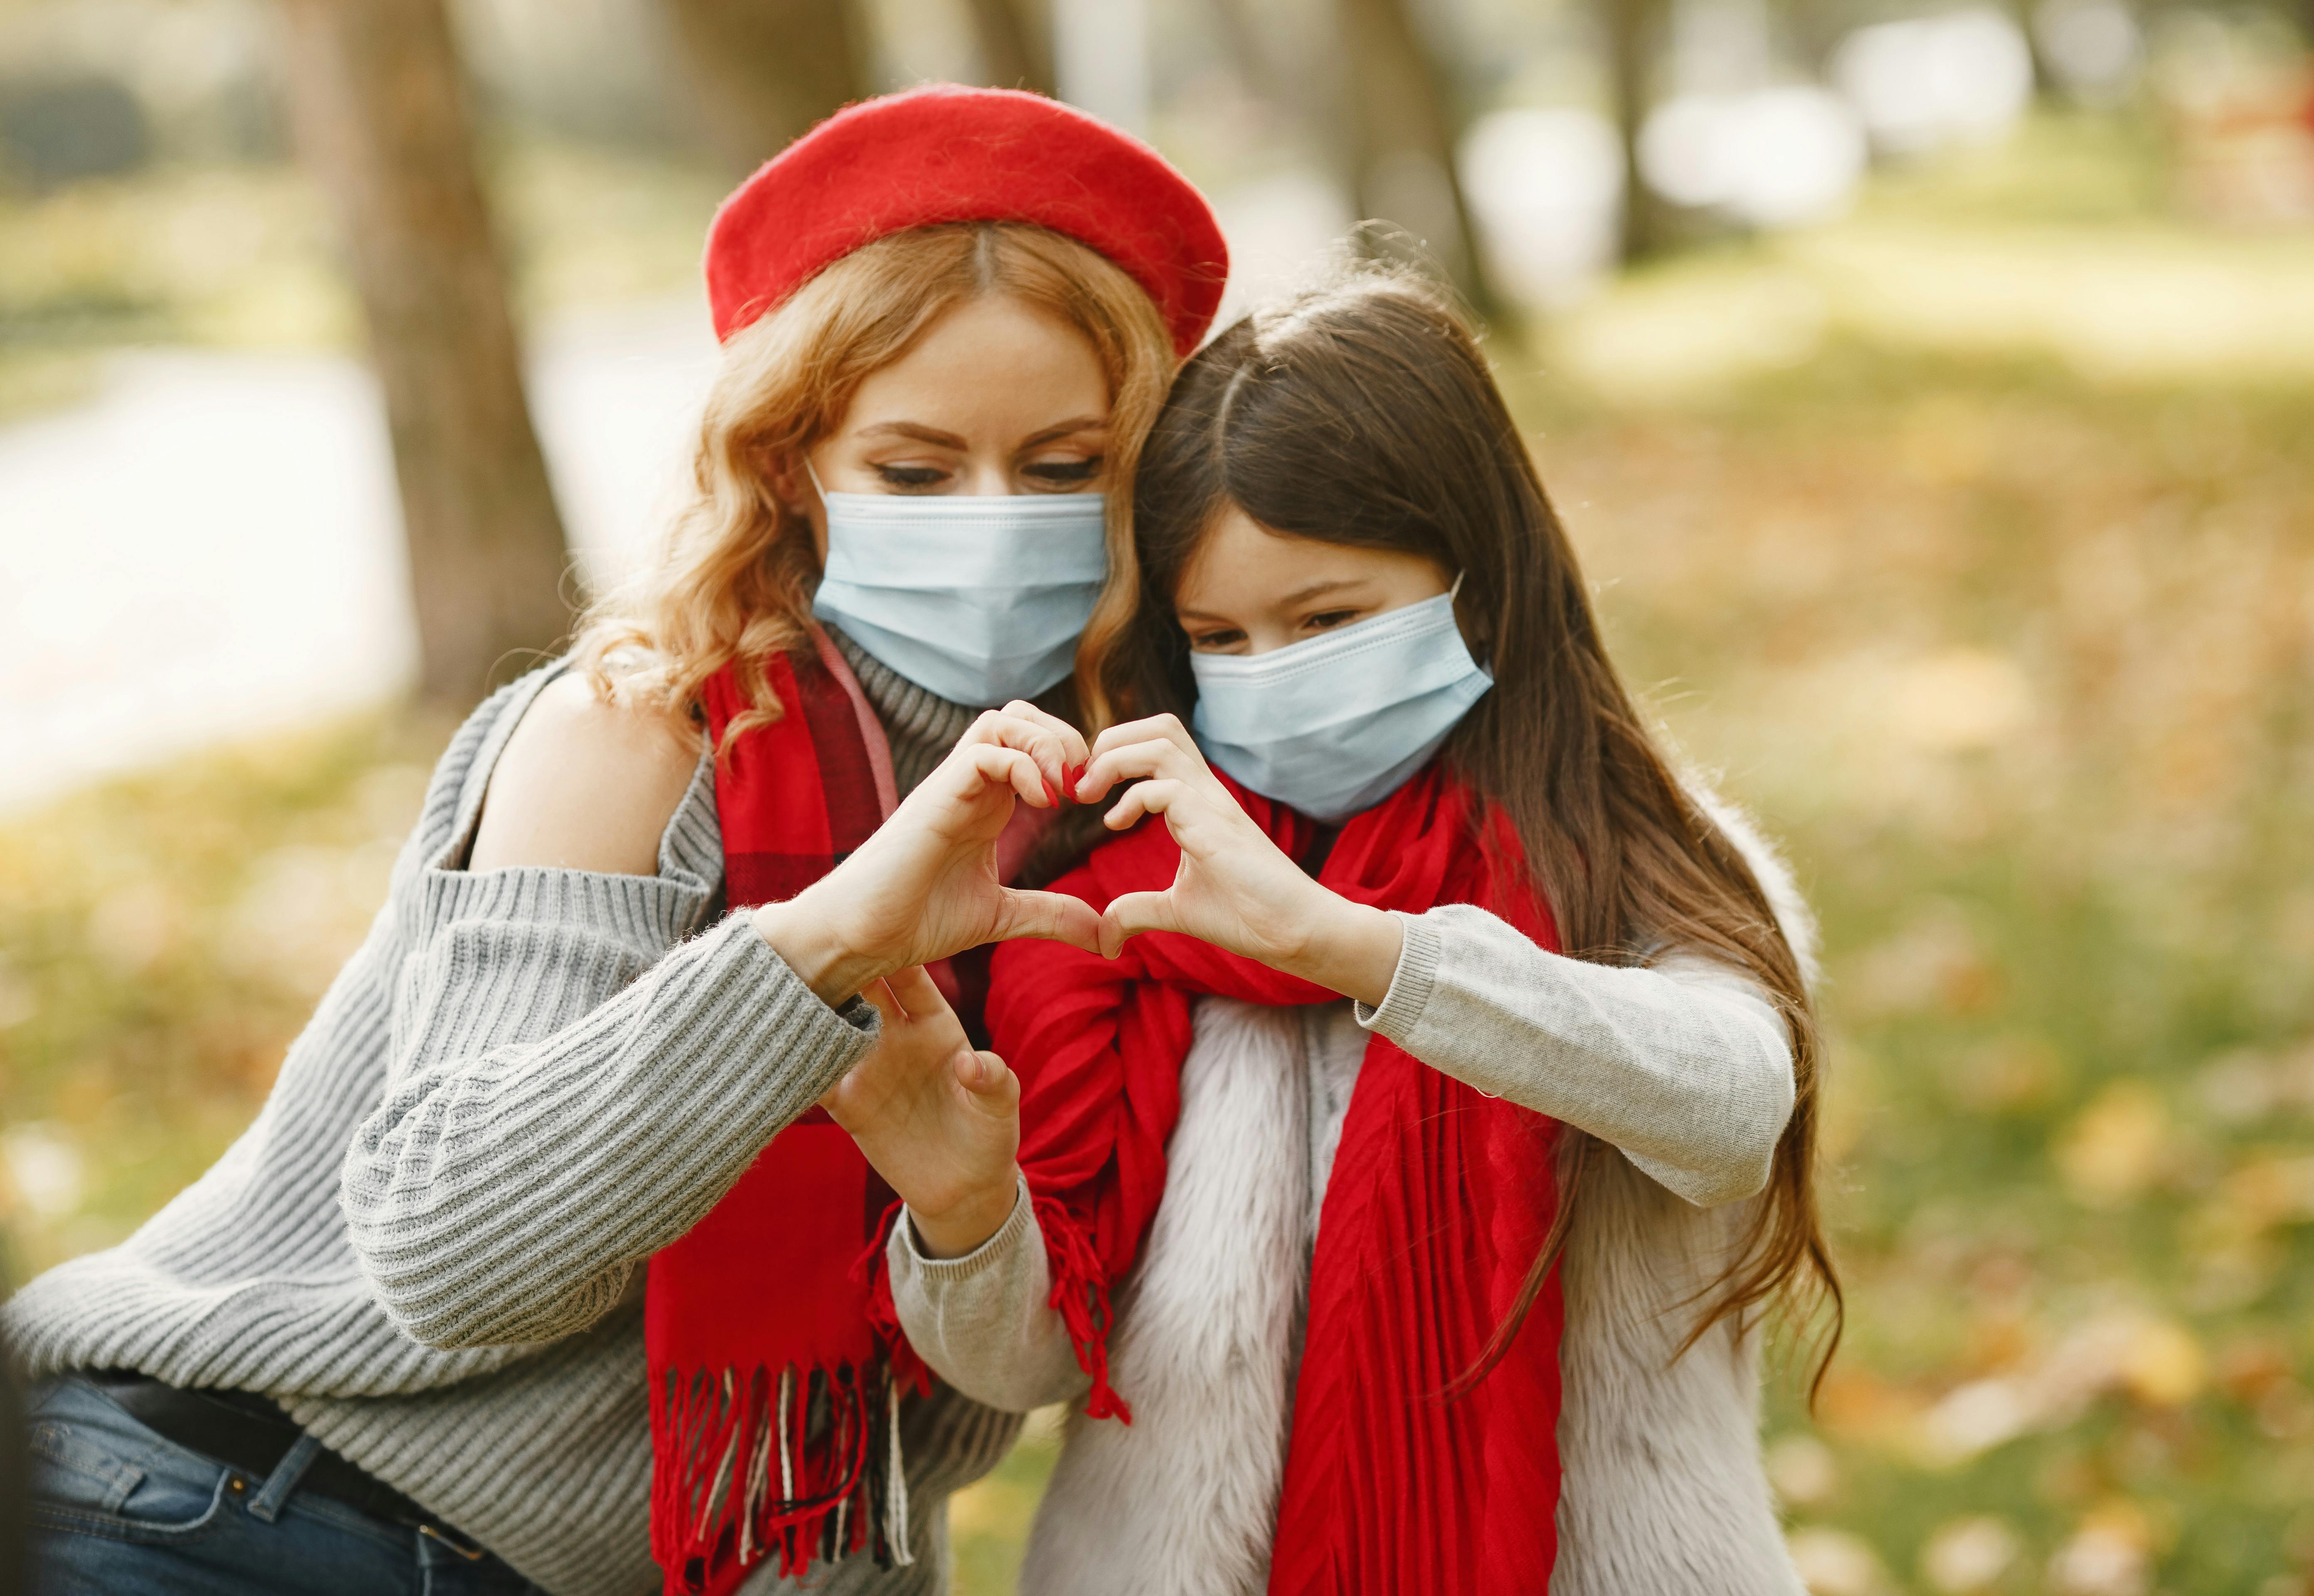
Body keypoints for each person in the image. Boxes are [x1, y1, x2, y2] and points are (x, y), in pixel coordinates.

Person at [3, 85, 1225, 1596]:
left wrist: (964, 1208)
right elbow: (453, 1261)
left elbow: (933, 1431)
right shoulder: (637, 735)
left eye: (1063, 468)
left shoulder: (1132, 828)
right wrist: (827, 942)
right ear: (792, 462)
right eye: (915, 471)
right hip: (233, 1509)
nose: (994, 519)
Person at [841, 268, 1841, 1595]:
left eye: (1327, 620)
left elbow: (1731, 1110)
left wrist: (1360, 949)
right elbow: (1044, 1363)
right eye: (1221, 638)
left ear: (1478, 585)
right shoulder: (1128, 894)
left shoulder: (1635, 860)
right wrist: (965, 1212)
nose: (1272, 674)